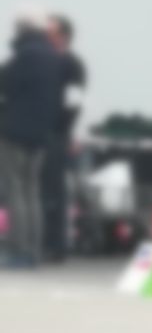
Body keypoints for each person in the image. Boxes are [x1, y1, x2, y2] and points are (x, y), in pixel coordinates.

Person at [0, 8, 63, 269]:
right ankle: (34, 249)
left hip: (15, 132)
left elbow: (5, 84)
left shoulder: (25, 55)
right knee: (32, 192)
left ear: (21, 28)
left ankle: (19, 250)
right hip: (41, 135)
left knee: (15, 192)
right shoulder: (53, 57)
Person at [41, 14, 86, 263]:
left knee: (56, 192)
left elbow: (74, 103)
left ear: (64, 37)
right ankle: (42, 241)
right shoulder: (44, 62)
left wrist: (66, 132)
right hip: (41, 133)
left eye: (51, 33)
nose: (46, 37)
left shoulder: (72, 65)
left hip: (58, 135)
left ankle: (56, 245)